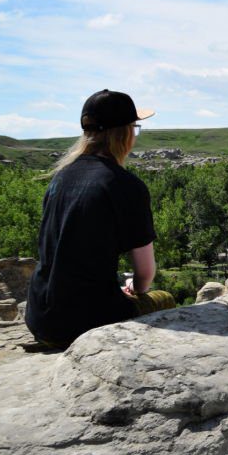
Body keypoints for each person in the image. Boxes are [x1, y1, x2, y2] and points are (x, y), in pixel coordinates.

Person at [25, 89, 176, 349]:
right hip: (87, 321)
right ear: (125, 133)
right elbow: (145, 275)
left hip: (40, 316)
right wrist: (133, 286)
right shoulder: (125, 185)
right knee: (164, 299)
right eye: (134, 127)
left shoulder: (61, 177)